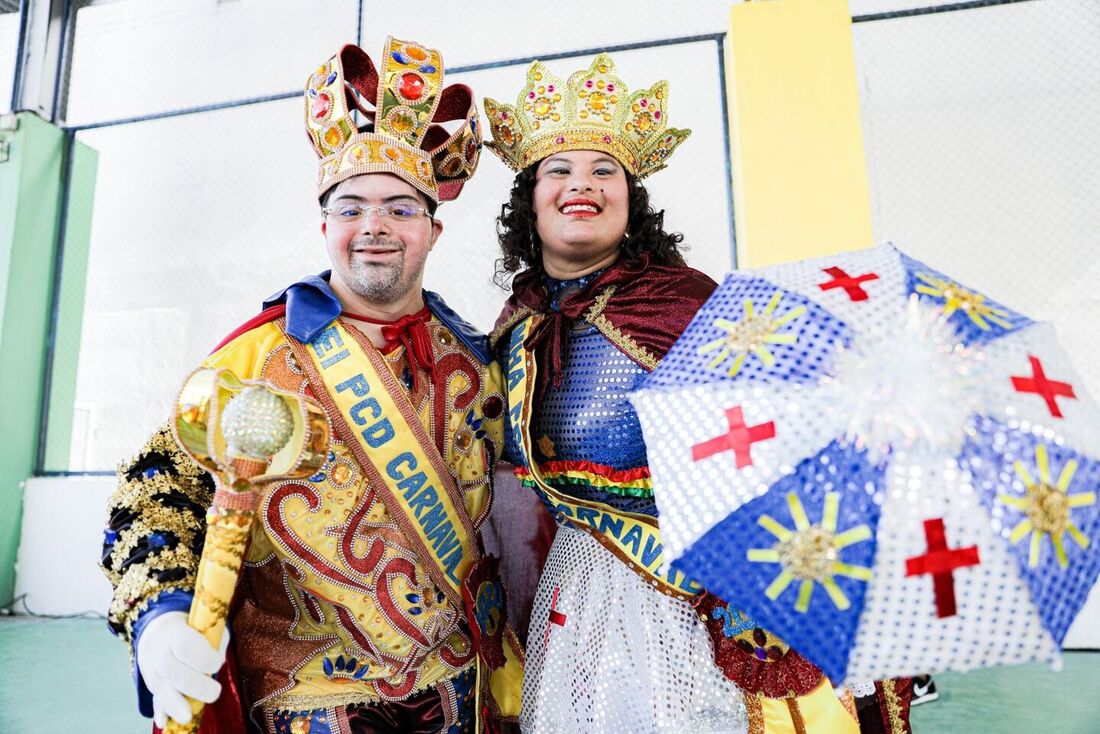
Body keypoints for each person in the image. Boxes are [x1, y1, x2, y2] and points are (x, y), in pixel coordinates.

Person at [100, 39, 522, 734]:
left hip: (457, 693)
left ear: (433, 231)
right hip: (311, 704)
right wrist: (160, 616)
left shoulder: (478, 366)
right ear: (325, 226)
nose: (374, 227)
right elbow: (156, 491)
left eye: (399, 208)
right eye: (352, 207)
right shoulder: (255, 359)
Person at [482, 54, 910, 733]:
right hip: (574, 588)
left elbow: (786, 434)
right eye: (557, 170)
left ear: (632, 197)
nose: (580, 185)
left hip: (687, 601)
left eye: (604, 171)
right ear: (530, 199)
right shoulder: (515, 325)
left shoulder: (683, 303)